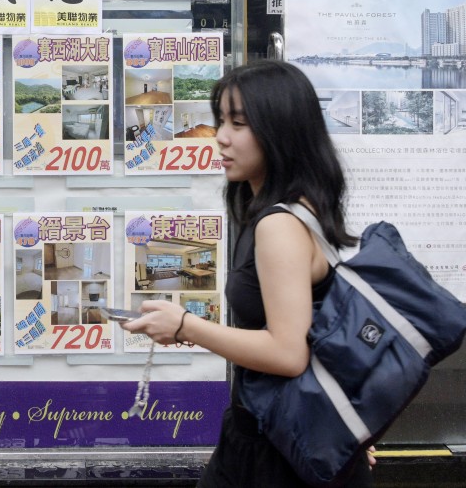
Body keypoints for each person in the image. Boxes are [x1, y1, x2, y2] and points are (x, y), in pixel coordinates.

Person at [121, 60, 375, 487]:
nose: (220, 137)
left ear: (280, 130)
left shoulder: (279, 225)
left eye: (238, 124)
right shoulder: (296, 210)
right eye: (220, 120)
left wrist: (185, 324)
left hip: (278, 452)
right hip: (276, 433)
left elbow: (287, 353)